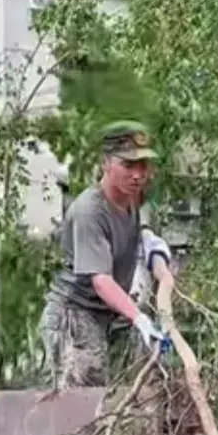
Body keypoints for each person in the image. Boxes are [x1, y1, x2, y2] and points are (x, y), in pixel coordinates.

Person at [40, 122, 173, 390]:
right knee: (82, 411)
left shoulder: (132, 196)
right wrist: (140, 319)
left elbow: (143, 220)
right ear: (105, 164)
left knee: (126, 394)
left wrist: (152, 245)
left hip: (109, 316)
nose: (138, 175)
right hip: (75, 317)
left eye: (143, 166)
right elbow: (101, 281)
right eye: (128, 165)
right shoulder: (90, 212)